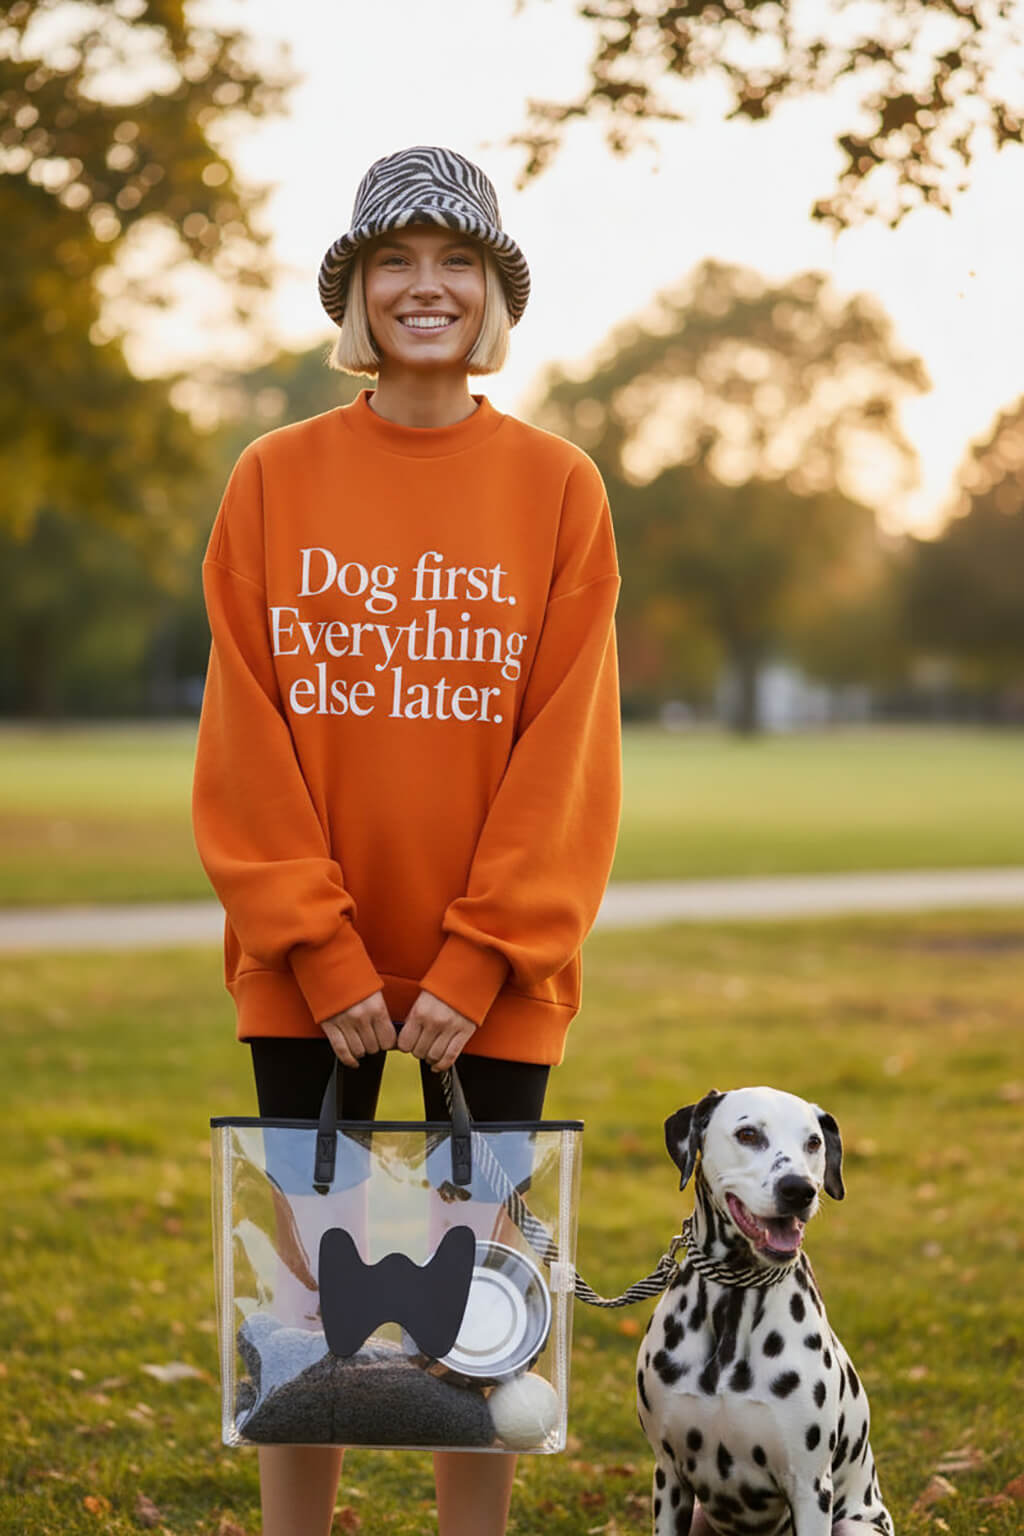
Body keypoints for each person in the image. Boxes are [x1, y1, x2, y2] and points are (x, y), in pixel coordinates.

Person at [192, 144, 622, 1536]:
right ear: (359, 294)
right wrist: (320, 953)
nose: (425, 287)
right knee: (305, 1288)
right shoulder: (274, 475)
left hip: (489, 979)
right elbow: (244, 737)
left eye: (455, 262)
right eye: (396, 261)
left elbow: (568, 750)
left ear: (492, 290)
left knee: (477, 1291)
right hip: (307, 959)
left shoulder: (559, 488)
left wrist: (481, 960)